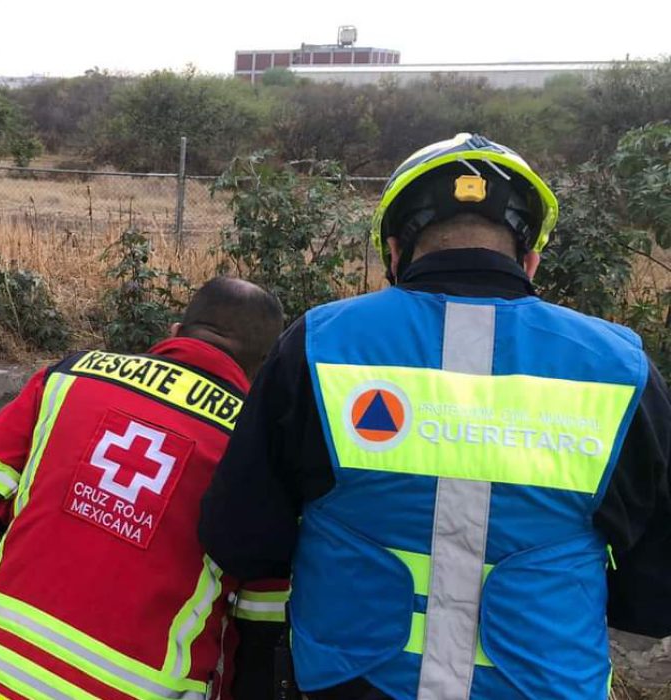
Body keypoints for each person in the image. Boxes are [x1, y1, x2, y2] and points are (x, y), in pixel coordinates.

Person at [199, 133, 671, 700]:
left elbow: (243, 540)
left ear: (395, 251)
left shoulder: (319, 344)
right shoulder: (620, 369)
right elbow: (653, 596)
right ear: (530, 259)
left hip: (352, 682)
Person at [0, 277, 288, 700]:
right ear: (262, 369)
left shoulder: (71, 375)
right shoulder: (263, 450)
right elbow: (261, 623)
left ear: (176, 331)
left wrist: (57, 522)